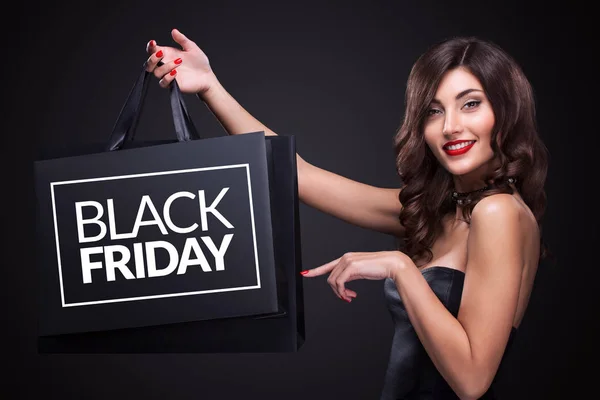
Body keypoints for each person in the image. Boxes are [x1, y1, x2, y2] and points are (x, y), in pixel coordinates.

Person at [144, 29, 550, 400]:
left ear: (506, 110)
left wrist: (399, 266)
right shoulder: (439, 210)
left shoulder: (499, 213)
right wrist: (209, 87)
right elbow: (299, 174)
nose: (451, 127)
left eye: (471, 104)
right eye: (434, 111)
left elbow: (472, 381)